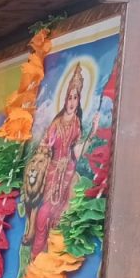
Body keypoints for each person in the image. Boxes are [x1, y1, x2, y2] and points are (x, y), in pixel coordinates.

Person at [22, 63, 99, 262]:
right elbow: (45, 145)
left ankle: (49, 261)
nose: (72, 102)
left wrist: (93, 131)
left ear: (79, 100)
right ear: (65, 99)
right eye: (69, 97)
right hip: (51, 171)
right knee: (42, 216)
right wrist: (42, 157)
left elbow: (77, 151)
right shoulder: (56, 123)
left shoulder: (77, 124)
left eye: (75, 98)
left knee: (58, 220)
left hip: (68, 173)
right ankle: (35, 259)